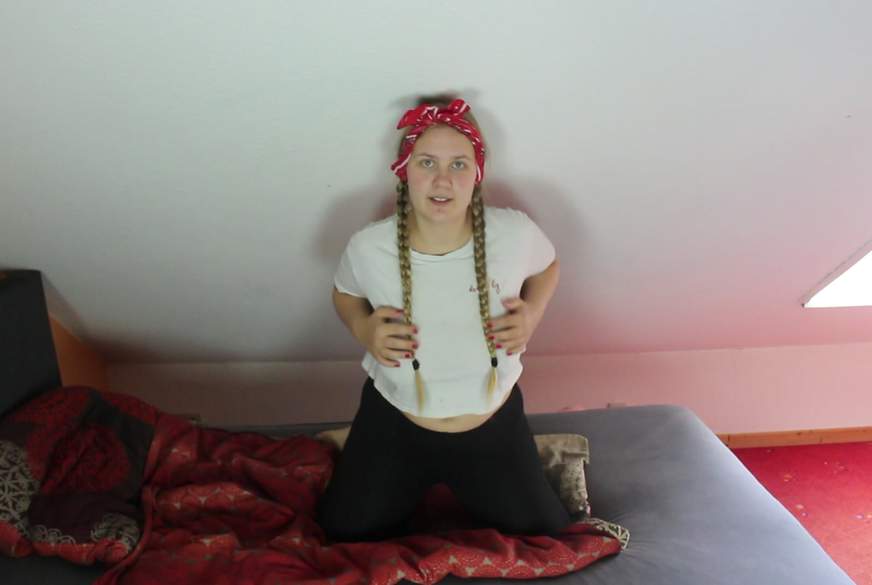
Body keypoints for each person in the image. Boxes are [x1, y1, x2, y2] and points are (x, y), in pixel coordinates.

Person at [316, 94, 569, 543]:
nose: (442, 180)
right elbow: (344, 294)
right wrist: (363, 328)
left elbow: (548, 268)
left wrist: (531, 314)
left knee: (549, 538)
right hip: (395, 424)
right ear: (404, 170)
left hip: (492, 428)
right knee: (341, 533)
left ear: (477, 172)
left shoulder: (514, 234)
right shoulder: (369, 248)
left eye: (458, 164)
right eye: (427, 162)